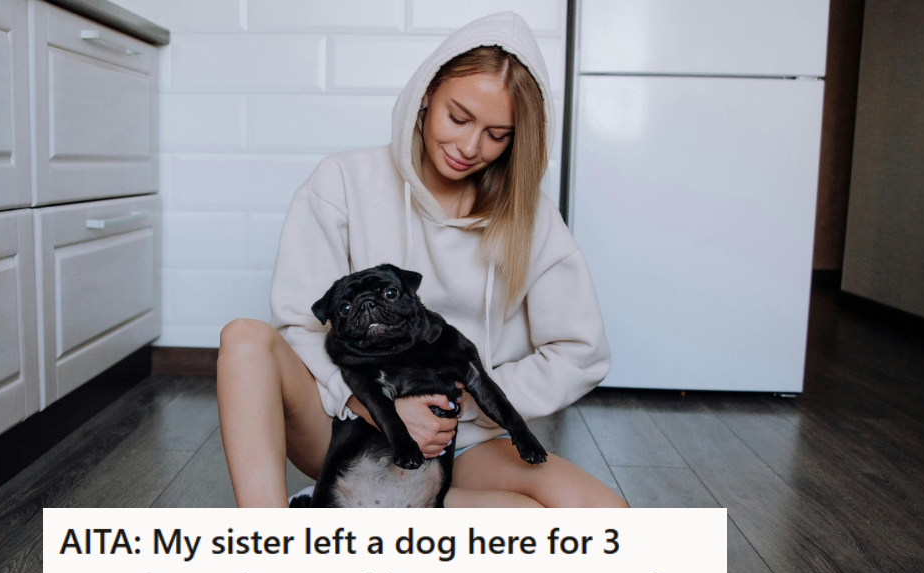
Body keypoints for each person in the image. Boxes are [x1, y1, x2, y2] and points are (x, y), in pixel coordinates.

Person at [216, 12, 627, 509]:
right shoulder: (343, 179)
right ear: (427, 92)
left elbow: (580, 353)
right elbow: (299, 323)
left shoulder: (532, 217)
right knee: (244, 338)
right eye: (458, 118)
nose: (470, 147)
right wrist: (382, 407)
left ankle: (361, 518)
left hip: (462, 442)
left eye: (498, 134)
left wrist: (457, 398)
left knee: (606, 518)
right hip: (345, 427)